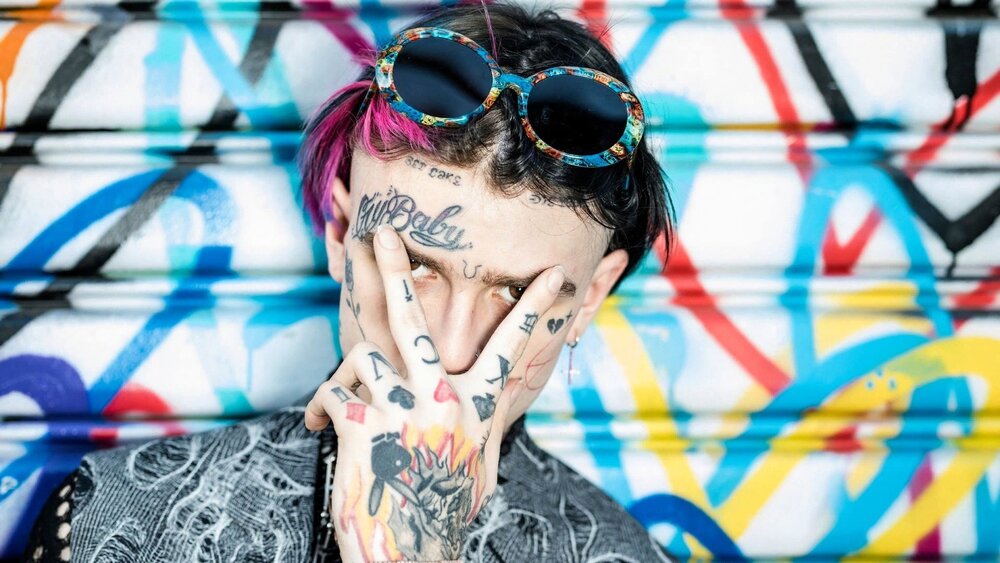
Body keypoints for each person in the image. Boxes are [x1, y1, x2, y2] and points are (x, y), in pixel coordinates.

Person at [24, 3, 675, 562]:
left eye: (515, 293)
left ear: (589, 297)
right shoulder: (114, 518)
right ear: (340, 233)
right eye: (416, 267)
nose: (450, 353)